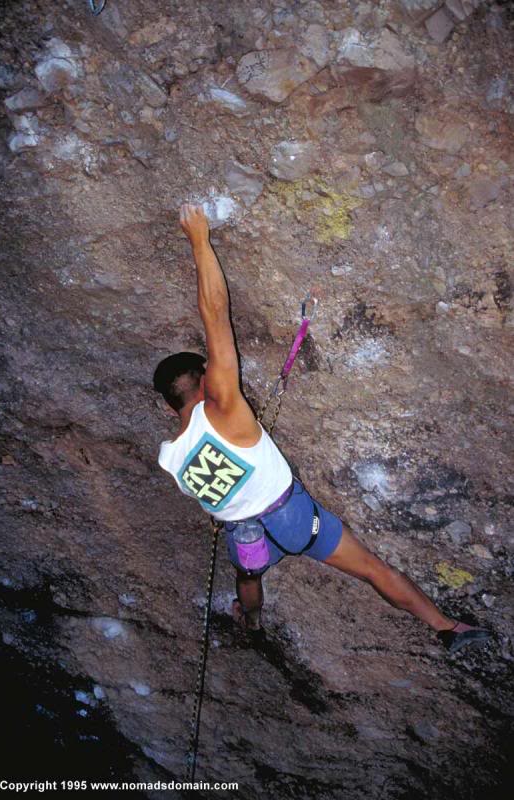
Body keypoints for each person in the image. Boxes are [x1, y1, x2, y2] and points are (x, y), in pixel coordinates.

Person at [153, 203, 490, 655]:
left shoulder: (171, 456)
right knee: (372, 569)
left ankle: (251, 622)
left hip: (244, 539)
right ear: (205, 381)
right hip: (293, 521)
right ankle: (446, 627)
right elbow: (215, 314)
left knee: (247, 577)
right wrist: (198, 238)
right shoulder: (223, 408)